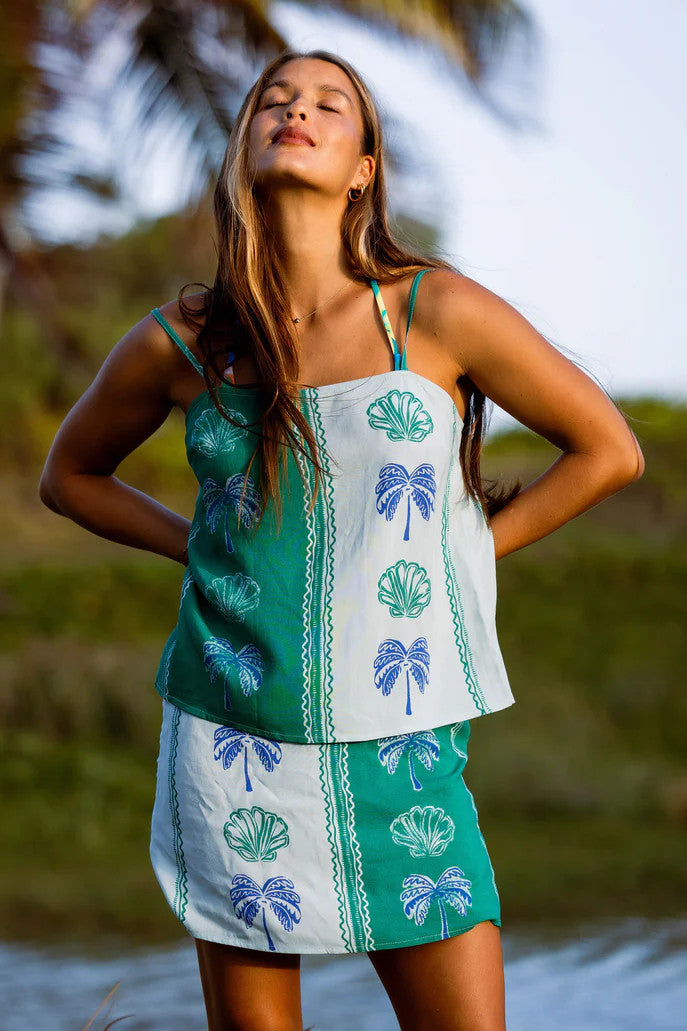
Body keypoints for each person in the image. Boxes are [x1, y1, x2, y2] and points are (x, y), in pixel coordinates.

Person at [38, 47, 644, 1031]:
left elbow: (608, 450)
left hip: (399, 741)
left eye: (328, 103)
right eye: (275, 100)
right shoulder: (185, 338)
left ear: (364, 167)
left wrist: (462, 553)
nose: (297, 111)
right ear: (243, 149)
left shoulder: (434, 309)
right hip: (230, 734)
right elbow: (67, 476)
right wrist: (198, 547)